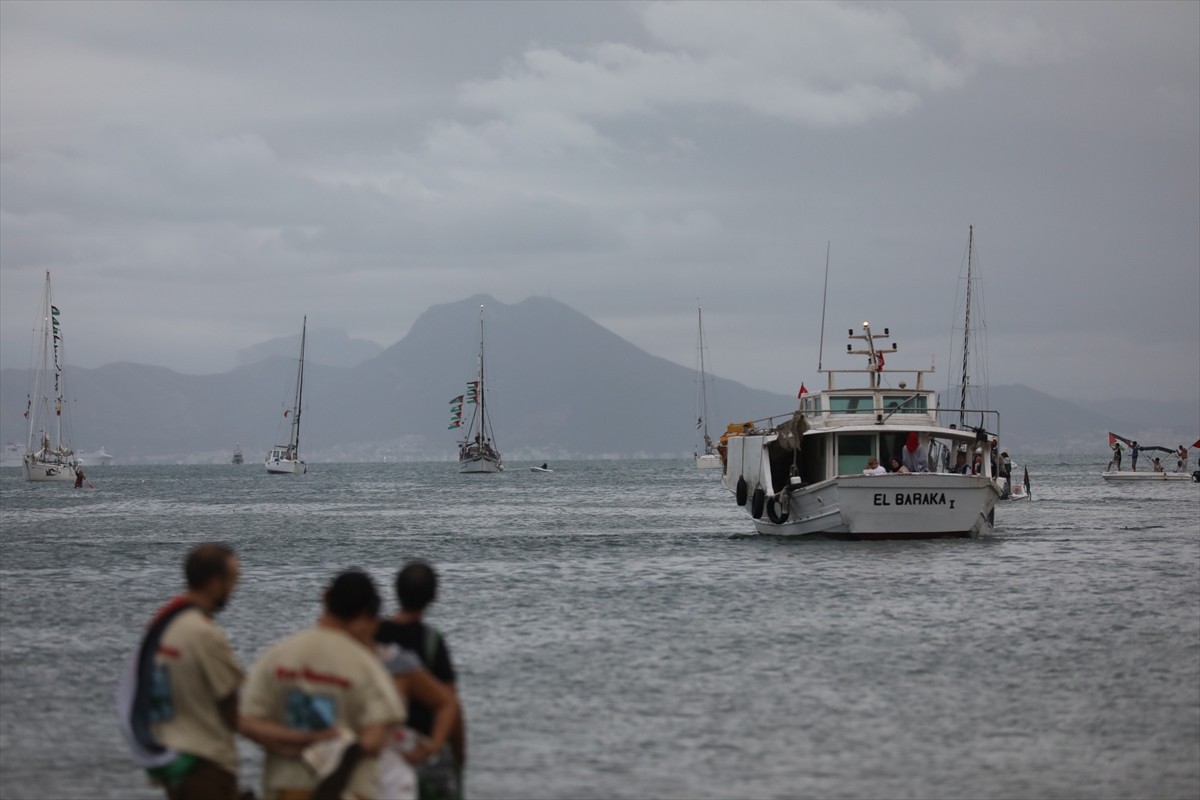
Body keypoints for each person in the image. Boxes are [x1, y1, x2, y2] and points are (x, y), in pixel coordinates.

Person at [241, 570, 408, 800]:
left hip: (288, 787)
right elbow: (376, 736)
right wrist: (337, 746)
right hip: (349, 790)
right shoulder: (366, 666)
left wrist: (297, 741)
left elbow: (247, 722)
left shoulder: (278, 656)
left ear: (326, 597)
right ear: (366, 618)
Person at [376, 560, 467, 797]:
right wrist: (459, 754)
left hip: (379, 749)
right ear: (434, 595)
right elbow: (451, 704)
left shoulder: (375, 635)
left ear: (395, 591)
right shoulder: (431, 641)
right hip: (423, 751)